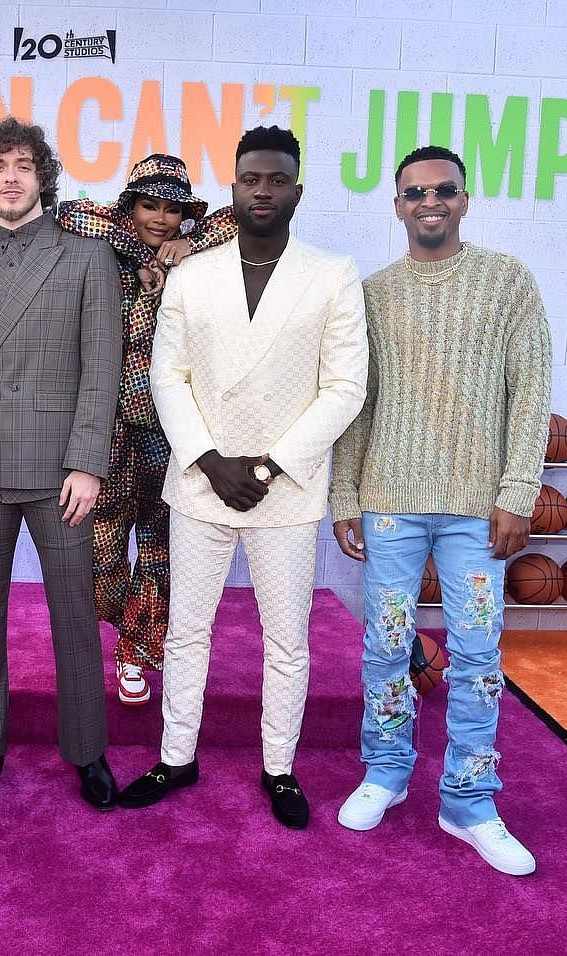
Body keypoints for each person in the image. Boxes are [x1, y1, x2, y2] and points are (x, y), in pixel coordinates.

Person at [116, 126, 368, 830]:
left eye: (276, 179)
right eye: (250, 178)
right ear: (232, 189)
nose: (263, 189)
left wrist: (267, 465)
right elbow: (168, 376)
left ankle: (279, 768)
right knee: (187, 632)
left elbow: (345, 388)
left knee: (286, 639)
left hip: (284, 490)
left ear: (297, 190)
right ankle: (175, 757)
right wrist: (209, 460)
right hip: (201, 482)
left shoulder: (331, 273)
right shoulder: (193, 277)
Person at [329, 145, 550, 876]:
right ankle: (387, 773)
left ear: (464, 198)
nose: (430, 202)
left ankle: (469, 800)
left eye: (443, 190)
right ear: (396, 205)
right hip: (390, 502)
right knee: (387, 649)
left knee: (480, 657)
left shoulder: (507, 282)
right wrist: (346, 494)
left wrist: (517, 493)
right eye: (414, 192)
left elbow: (530, 394)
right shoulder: (372, 293)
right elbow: (356, 404)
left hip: (476, 512)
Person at [0, 117, 124, 813]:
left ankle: (87, 752)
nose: (10, 178)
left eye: (22, 165)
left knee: (73, 615)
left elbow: (101, 370)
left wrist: (87, 464)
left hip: (60, 473)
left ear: (42, 177)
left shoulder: (87, 258)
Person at [55, 154, 237, 706]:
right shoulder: (103, 247)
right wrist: (144, 256)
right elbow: (69, 210)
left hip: (170, 430)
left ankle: (135, 651)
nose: (160, 218)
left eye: (171, 209)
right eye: (148, 204)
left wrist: (185, 245)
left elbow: (233, 219)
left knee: (161, 548)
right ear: (130, 205)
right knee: (100, 555)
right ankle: (122, 620)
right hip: (108, 429)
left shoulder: (198, 254)